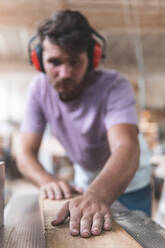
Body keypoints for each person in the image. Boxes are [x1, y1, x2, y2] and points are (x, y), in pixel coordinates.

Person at [17, 10, 151, 238]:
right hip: (85, 178)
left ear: (92, 58)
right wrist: (47, 181)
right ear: (39, 60)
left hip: (129, 178)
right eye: (54, 62)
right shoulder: (38, 90)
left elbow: (126, 148)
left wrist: (98, 195)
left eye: (75, 61)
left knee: (138, 237)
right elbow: (24, 152)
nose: (65, 72)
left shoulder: (114, 86)